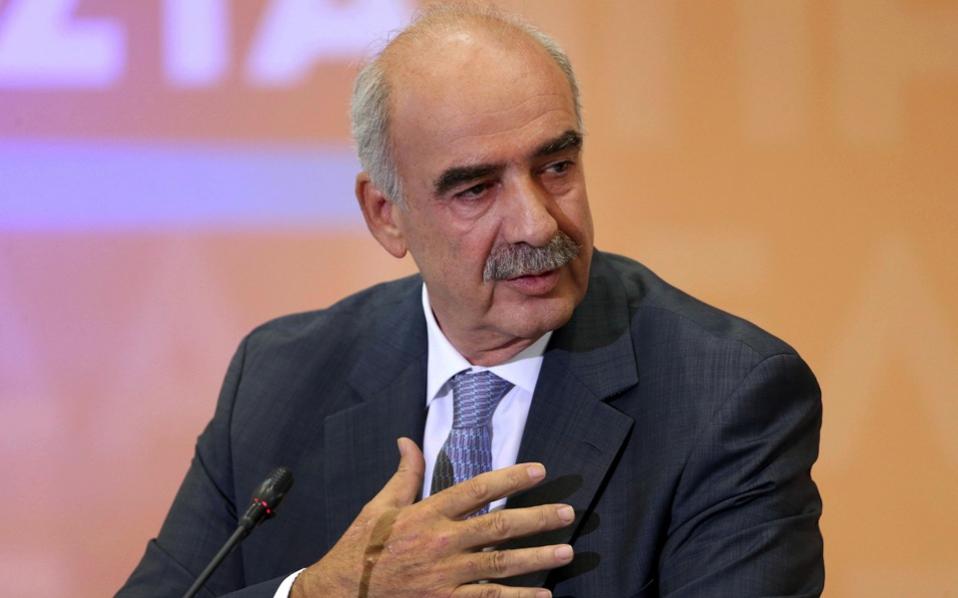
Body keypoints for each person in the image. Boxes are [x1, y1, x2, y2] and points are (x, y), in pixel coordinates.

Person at [118, 5, 824, 597]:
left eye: (556, 166)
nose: (537, 224)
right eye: (476, 189)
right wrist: (318, 593)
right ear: (386, 215)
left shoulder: (725, 395)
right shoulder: (280, 376)